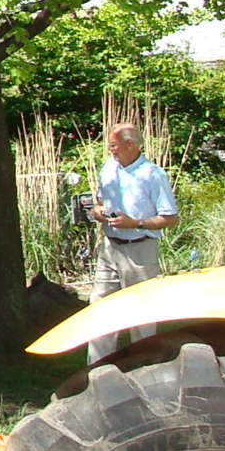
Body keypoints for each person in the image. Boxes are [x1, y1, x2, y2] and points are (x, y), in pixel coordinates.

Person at [87, 120, 178, 362]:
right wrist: (97, 211)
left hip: (140, 250)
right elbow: (100, 201)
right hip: (110, 248)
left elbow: (170, 218)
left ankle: (145, 367)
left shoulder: (153, 175)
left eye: (113, 145)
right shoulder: (109, 169)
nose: (110, 150)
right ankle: (96, 369)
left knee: (141, 314)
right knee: (99, 308)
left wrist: (135, 223)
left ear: (130, 145)